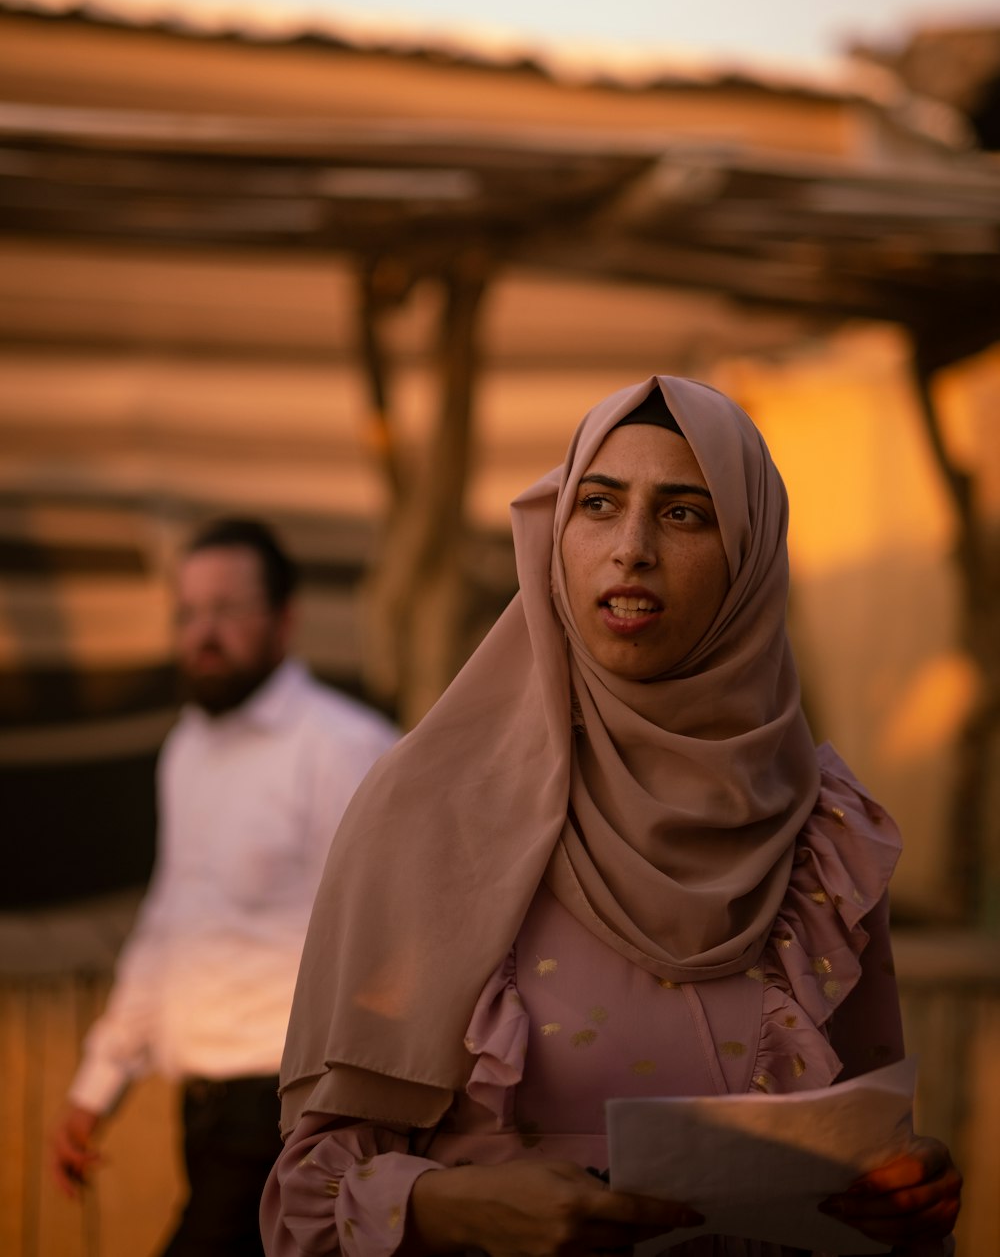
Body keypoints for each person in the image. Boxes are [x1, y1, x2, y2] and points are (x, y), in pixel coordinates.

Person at [262, 378, 962, 1257]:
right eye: (598, 505)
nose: (630, 549)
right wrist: (454, 1208)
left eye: (684, 515)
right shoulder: (433, 813)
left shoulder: (823, 839)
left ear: (749, 559)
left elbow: (865, 1141)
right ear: (557, 540)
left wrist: (910, 1192)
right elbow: (303, 1205)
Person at [52, 517, 399, 1257]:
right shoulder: (186, 749)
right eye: (188, 612)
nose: (204, 631)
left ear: (285, 619)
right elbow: (171, 919)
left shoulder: (344, 748)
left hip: (291, 1111)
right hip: (202, 1111)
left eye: (228, 610)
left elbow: (404, 935)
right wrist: (98, 1084)